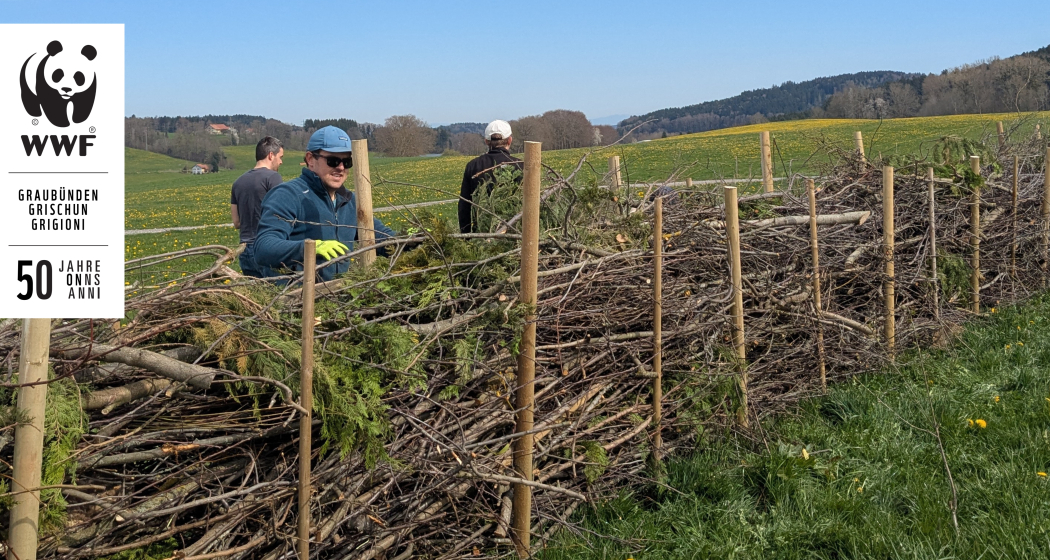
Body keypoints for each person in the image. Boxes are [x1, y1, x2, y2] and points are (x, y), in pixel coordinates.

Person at [254, 126, 395, 281]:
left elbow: (381, 238)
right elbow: (264, 247)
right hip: (297, 300)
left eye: (347, 162)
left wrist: (413, 239)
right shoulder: (287, 195)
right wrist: (310, 248)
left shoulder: (349, 200)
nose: (340, 168)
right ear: (310, 159)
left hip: (340, 297)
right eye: (333, 161)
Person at [231, 136, 284, 277]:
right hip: (266, 247)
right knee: (275, 295)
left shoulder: (237, 183)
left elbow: (236, 223)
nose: (281, 161)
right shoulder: (273, 178)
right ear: (271, 155)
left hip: (244, 251)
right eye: (280, 157)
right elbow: (282, 213)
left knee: (256, 297)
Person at [458, 120, 524, 233]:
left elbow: (464, 205)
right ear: (510, 140)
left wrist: (466, 237)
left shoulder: (473, 166)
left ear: (486, 141)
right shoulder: (520, 165)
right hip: (514, 233)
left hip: (481, 234)